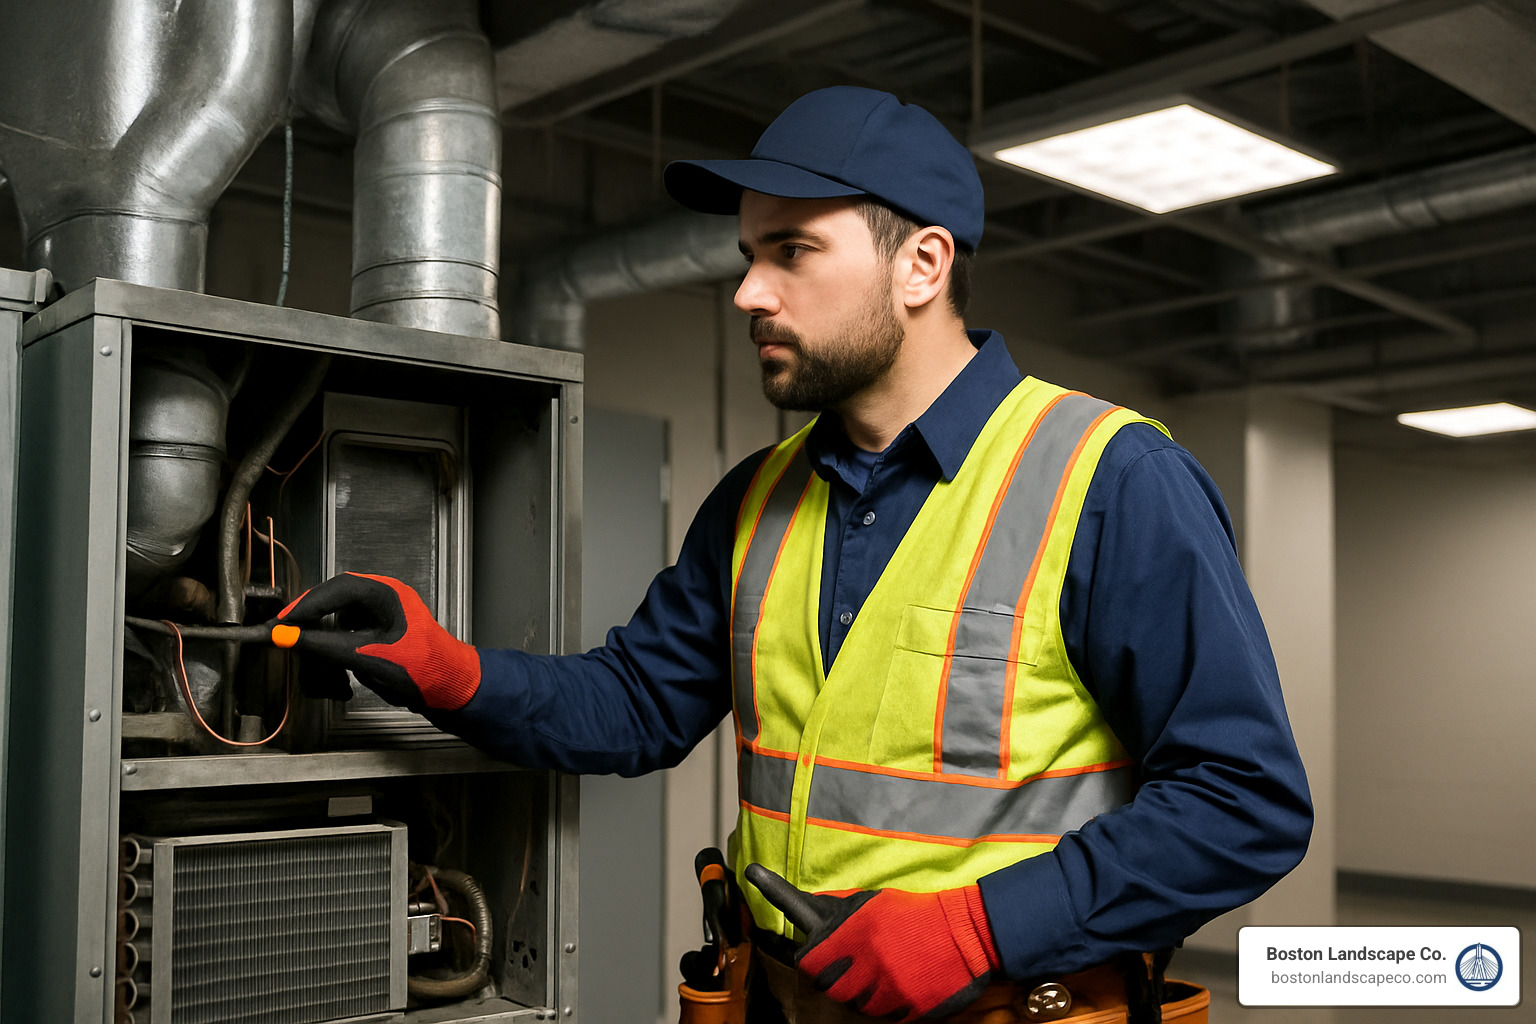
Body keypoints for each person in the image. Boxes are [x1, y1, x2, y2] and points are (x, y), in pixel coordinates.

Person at [278, 86, 1312, 1023]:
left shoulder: (1111, 481)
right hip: (781, 1001)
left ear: (923, 264)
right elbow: (639, 704)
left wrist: (976, 929)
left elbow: (1243, 803)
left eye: (792, 252)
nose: (748, 293)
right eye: (748, 256)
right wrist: (453, 671)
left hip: (1012, 1003)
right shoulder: (758, 499)